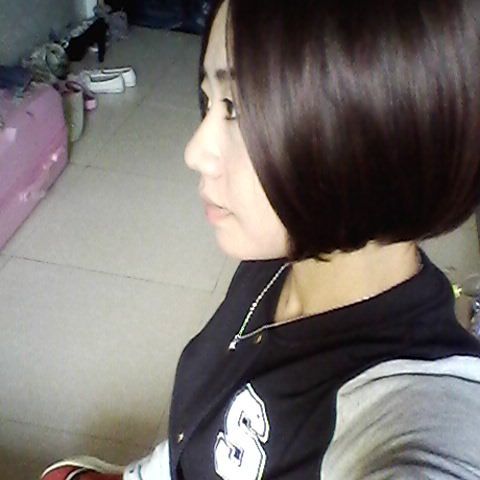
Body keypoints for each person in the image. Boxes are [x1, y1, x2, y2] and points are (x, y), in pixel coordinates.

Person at [42, 0, 480, 479]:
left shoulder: (419, 407)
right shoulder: (277, 260)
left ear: (380, 127)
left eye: (237, 109)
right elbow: (206, 427)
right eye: (209, 100)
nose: (195, 151)